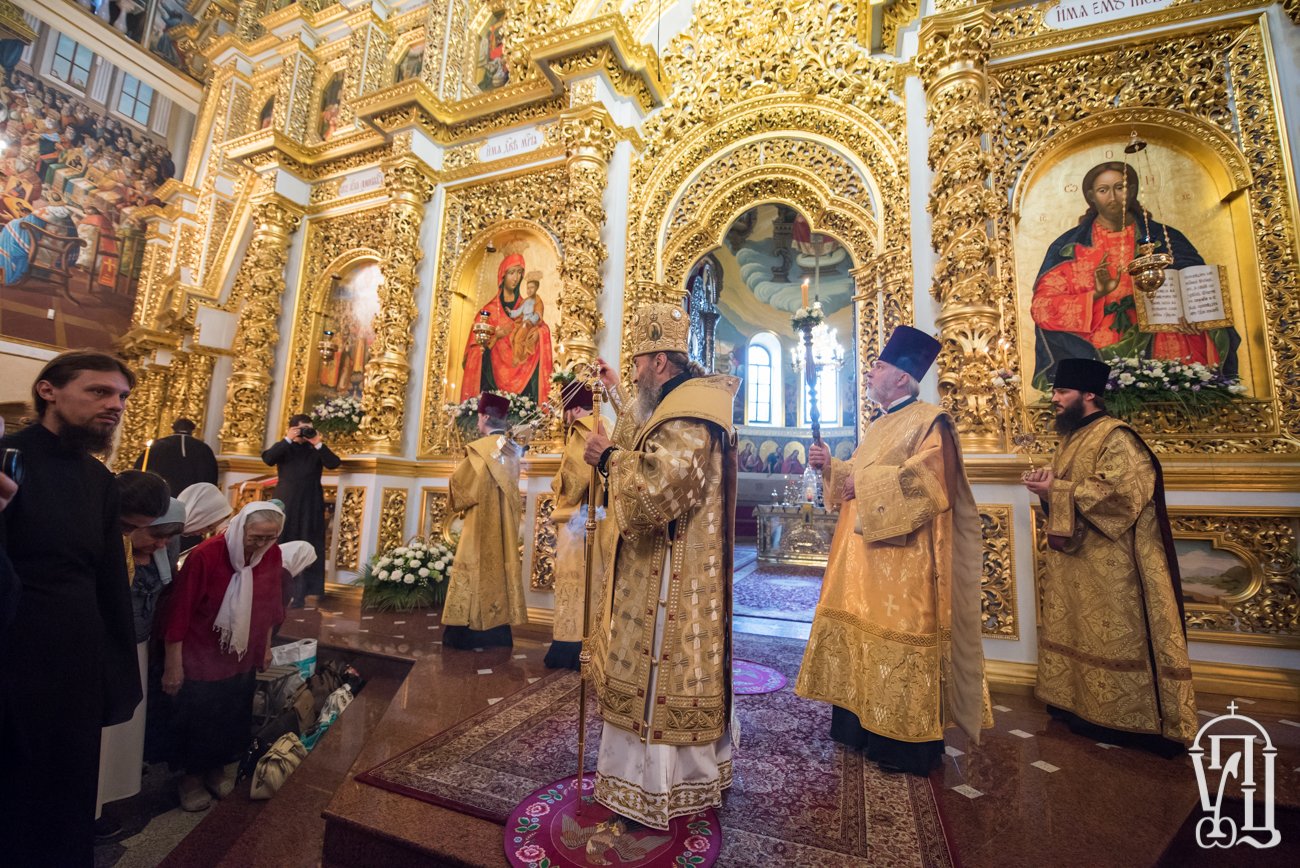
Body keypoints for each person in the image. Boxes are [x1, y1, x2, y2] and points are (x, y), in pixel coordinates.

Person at [795, 325, 988, 776]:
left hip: (903, 565)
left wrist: (860, 482)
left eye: (878, 367)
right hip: (862, 562)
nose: (869, 373)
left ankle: (901, 745)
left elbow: (932, 481)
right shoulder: (880, 424)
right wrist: (832, 466)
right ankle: (857, 726)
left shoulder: (931, 421)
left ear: (902, 377)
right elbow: (857, 477)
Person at [581, 302, 740, 830]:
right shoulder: (673, 400)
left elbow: (663, 486)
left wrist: (608, 460)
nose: (633, 372)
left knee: (662, 670)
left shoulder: (694, 408)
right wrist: (613, 392)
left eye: (637, 363)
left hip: (674, 572)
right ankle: (637, 775)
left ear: (659, 362)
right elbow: (644, 432)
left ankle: (661, 781)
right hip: (655, 563)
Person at [0, 349, 143, 865]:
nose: (115, 405)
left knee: (69, 782)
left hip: (76, 657)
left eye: (121, 396)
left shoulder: (99, 479)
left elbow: (109, 579)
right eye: (99, 391)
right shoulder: (7, 457)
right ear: (49, 391)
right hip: (13, 653)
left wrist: (114, 667)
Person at [1022, 357, 1197, 754]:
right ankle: (1078, 705)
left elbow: (1122, 496)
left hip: (1118, 564)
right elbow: (1069, 488)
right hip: (1081, 560)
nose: (1055, 399)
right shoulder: (1073, 437)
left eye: (1062, 392)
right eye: (1054, 391)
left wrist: (1056, 490)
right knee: (1079, 628)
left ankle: (1130, 721)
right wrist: (1048, 488)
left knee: (1118, 635)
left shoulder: (1117, 437)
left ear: (1089, 394)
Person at [1030, 161, 1240, 388]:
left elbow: (1198, 286)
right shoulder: (1070, 246)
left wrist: (1194, 315)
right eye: (1103, 190)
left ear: (1132, 190)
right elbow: (1042, 308)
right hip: (1096, 347)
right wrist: (1096, 294)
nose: (1113, 197)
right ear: (1091, 196)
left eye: (1120, 187)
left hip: (1162, 338)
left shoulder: (1166, 237)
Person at [162, 501, 286, 812]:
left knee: (233, 714)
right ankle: (190, 779)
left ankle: (217, 771)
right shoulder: (206, 555)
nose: (261, 544)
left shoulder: (271, 553)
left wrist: (265, 647)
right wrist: (173, 665)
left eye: (270, 537)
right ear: (240, 527)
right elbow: (180, 611)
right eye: (255, 537)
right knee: (200, 717)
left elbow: (271, 603)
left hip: (242, 652)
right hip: (201, 651)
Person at [98, 493, 184, 831]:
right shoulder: (106, 549)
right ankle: (90, 807)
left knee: (125, 735)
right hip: (106, 651)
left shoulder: (166, 549)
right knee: (101, 736)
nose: (162, 544)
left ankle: (111, 797)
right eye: (156, 535)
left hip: (140, 648)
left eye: (168, 538)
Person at [444, 392, 527, 649]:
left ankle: (467, 633)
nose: (478, 421)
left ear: (485, 417)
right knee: (499, 569)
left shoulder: (480, 450)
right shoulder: (511, 448)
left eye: (479, 417)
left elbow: (461, 485)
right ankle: (497, 630)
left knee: (474, 565)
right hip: (504, 525)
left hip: (480, 523)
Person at [543, 379, 603, 670]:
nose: (564, 418)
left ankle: (572, 647)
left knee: (576, 582)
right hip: (598, 516)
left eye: (566, 411)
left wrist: (556, 484)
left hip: (579, 519)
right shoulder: (604, 425)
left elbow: (575, 478)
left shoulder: (582, 429)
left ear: (575, 409)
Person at [261, 414, 341, 607]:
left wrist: (317, 443)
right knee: (282, 541)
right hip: (287, 500)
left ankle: (301, 593)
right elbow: (268, 459)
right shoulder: (285, 448)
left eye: (309, 428)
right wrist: (288, 438)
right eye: (302, 428)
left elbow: (333, 463)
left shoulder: (315, 449)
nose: (306, 432)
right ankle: (274, 589)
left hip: (310, 502)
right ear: (293, 428)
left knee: (308, 541)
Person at [459, 251, 554, 404]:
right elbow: (475, 350)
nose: (516, 278)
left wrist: (539, 333)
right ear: (502, 275)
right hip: (491, 385)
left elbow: (541, 326)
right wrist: (495, 338)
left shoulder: (527, 305)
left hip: (524, 390)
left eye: (519, 272)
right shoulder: (488, 311)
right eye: (511, 272)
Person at [133, 417, 219, 496]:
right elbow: (210, 476)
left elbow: (141, 470)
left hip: (161, 496)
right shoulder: (203, 448)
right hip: (193, 497)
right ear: (192, 429)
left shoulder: (157, 446)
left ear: (174, 428)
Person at [176, 481, 233, 553]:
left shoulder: (174, 534)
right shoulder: (167, 534)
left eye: (211, 530)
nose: (204, 533)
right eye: (209, 526)